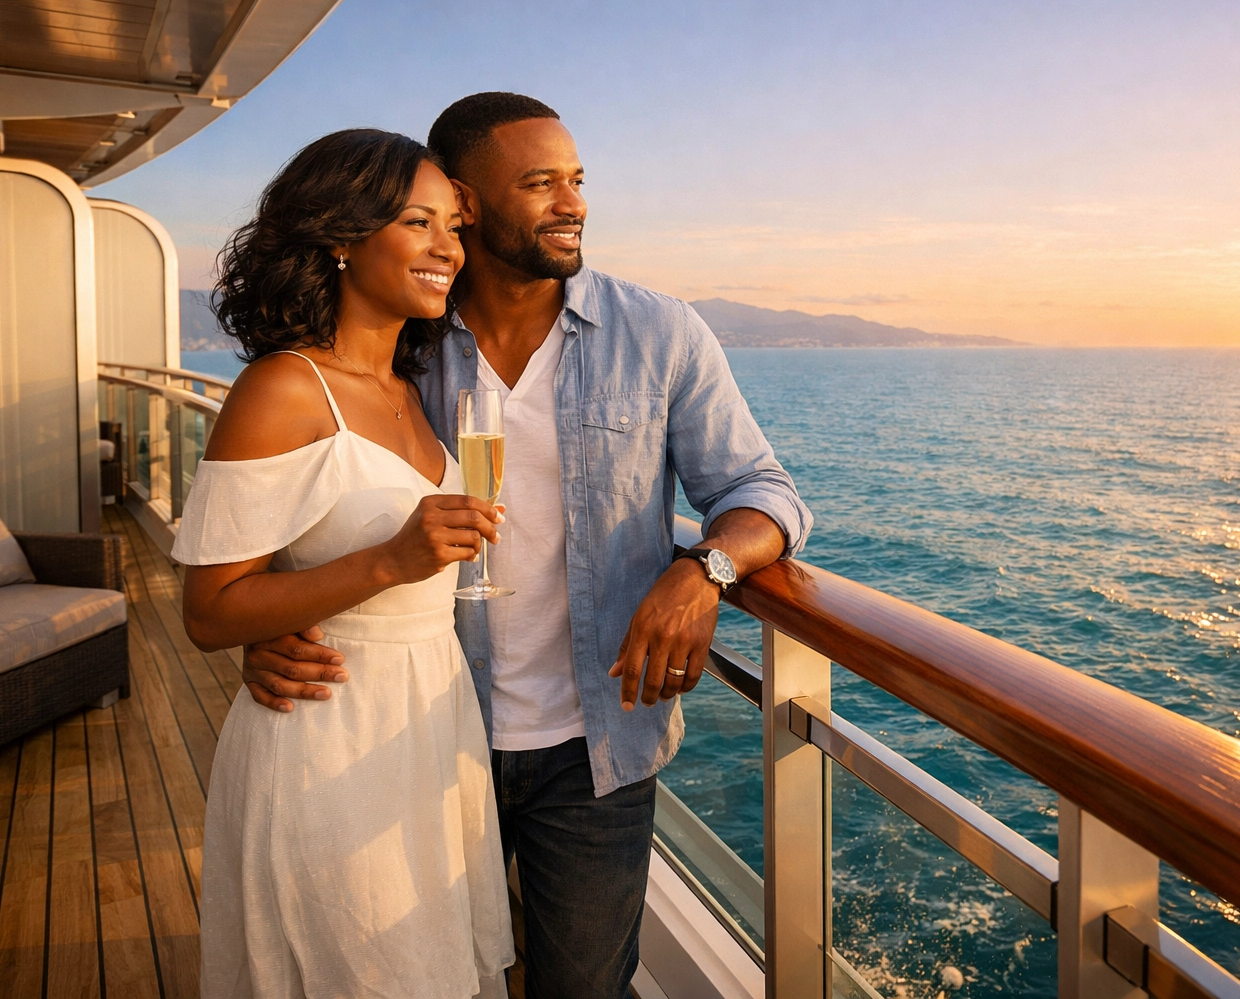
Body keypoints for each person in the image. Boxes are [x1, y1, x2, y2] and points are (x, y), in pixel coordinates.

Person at [241, 93, 813, 999]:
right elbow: (305, 502)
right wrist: (265, 618)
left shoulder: (657, 332)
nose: (573, 202)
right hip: (419, 728)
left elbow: (762, 492)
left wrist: (702, 570)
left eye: (578, 180)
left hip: (596, 745)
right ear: (467, 202)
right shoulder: (399, 337)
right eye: (541, 183)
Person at [174, 129, 514, 998]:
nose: (448, 247)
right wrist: (387, 562)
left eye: (454, 226)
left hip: (432, 725)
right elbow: (210, 611)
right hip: (328, 734)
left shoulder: (416, 388)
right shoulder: (283, 390)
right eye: (418, 222)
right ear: (339, 236)